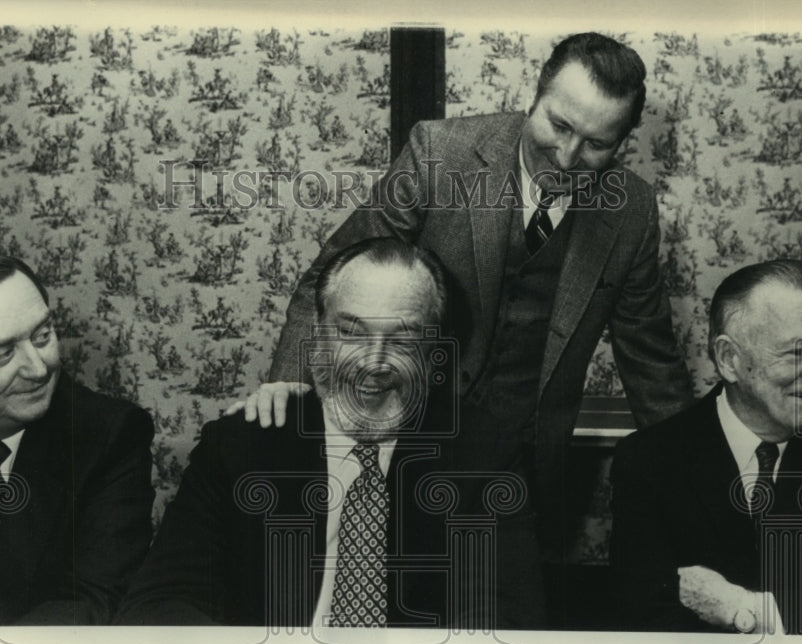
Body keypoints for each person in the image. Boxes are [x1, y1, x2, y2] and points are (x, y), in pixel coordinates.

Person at [245, 32, 693, 550]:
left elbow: (652, 362)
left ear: (623, 141)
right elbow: (328, 278)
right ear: (535, 96)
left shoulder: (631, 211)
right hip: (400, 441)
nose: (568, 157)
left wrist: (699, 471)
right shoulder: (439, 153)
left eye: (596, 144)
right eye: (559, 125)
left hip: (522, 471)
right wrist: (290, 387)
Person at [118, 238, 546, 628]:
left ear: (434, 349)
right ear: (318, 333)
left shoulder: (482, 454)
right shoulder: (242, 446)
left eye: (403, 338)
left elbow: (503, 614)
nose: (373, 363)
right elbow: (165, 598)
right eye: (351, 332)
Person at [0, 252, 155, 626]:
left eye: (43, 336)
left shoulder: (108, 434)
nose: (39, 368)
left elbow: (92, 597)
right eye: (3, 353)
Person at [609, 260, 802, 634]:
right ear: (729, 360)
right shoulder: (649, 461)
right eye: (796, 353)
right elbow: (645, 616)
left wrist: (740, 608)